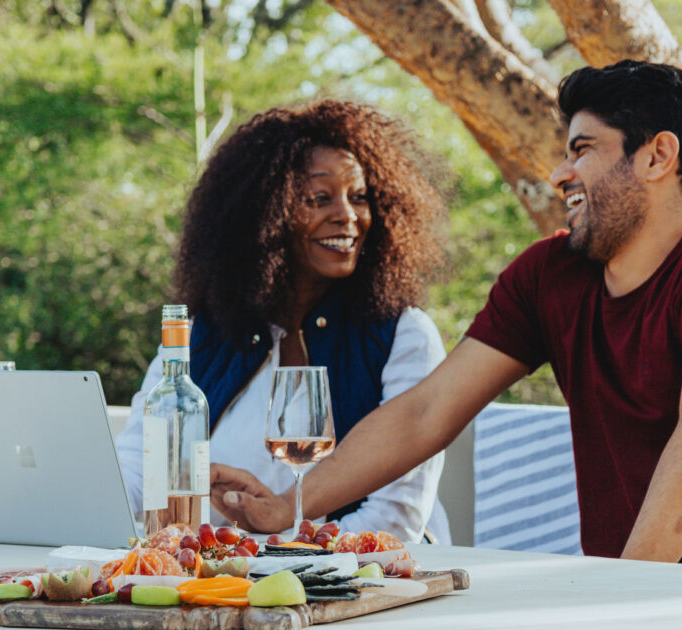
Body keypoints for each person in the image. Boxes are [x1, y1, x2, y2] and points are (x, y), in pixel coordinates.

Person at [211, 61, 682, 573]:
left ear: (657, 157)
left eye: (583, 149)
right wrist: (289, 508)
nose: (559, 171)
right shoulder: (550, 276)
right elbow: (426, 413)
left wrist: (620, 606)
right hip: (642, 600)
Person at [115, 99, 452, 543]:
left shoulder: (402, 335)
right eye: (319, 198)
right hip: (228, 579)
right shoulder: (203, 333)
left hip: (370, 583)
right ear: (264, 213)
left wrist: (264, 550)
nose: (348, 216)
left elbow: (395, 521)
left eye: (360, 197)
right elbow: (141, 465)